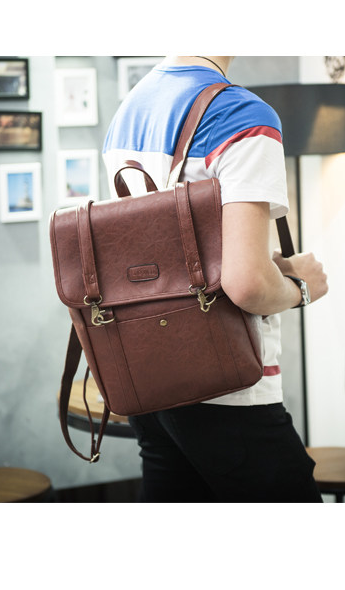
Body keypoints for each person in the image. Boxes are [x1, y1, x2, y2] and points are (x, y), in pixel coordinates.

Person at [102, 56, 329, 502]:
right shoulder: (241, 114)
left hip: (152, 376)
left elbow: (151, 257)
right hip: (228, 387)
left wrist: (264, 266)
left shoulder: (130, 108)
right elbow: (246, 284)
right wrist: (300, 287)